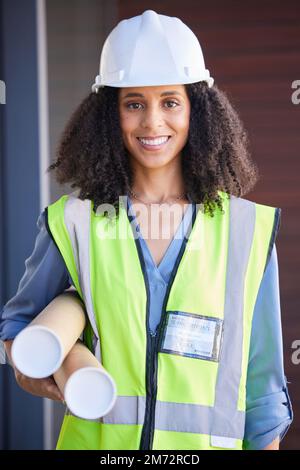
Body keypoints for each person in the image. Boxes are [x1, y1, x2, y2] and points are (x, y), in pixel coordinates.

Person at [0, 9, 293, 450]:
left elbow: (264, 391)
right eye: (134, 103)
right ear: (109, 116)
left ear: (198, 109)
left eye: (170, 101)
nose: (153, 122)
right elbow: (17, 331)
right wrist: (57, 379)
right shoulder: (74, 222)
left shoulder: (247, 231)